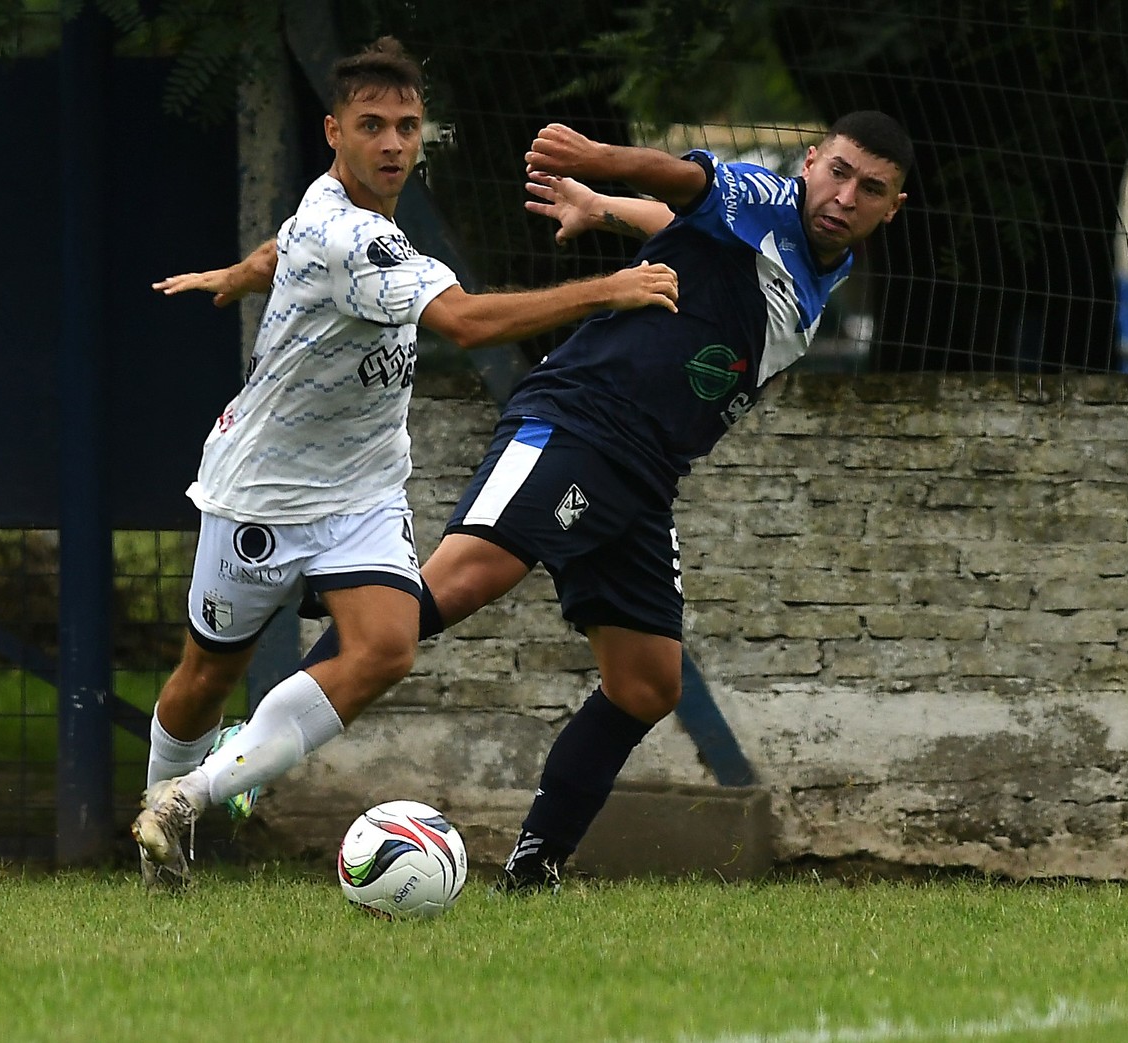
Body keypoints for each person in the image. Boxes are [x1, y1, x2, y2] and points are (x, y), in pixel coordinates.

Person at [292, 111, 913, 891]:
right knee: (461, 580)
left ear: (892, 207)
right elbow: (687, 181)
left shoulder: (821, 258)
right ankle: (262, 739)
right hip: (582, 416)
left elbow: (685, 219)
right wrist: (600, 160)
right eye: (838, 172)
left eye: (871, 189)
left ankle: (533, 865)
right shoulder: (766, 196)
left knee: (646, 682)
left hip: (647, 471)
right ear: (811, 162)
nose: (845, 196)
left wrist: (601, 208)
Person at [134, 37, 680, 891]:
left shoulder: (330, 217)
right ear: (332, 132)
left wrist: (242, 274)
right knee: (207, 675)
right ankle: (156, 826)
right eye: (371, 126)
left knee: (387, 648)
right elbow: (462, 322)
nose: (392, 143)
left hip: (361, 490)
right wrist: (608, 288)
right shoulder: (349, 235)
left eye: (408, 126)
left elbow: (280, 249)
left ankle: (187, 802)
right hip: (260, 491)